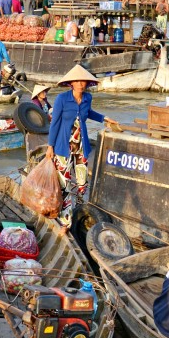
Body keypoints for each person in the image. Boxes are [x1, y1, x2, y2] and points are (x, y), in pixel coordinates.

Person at [46, 65, 120, 229]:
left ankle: (77, 212)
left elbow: (89, 113)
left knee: (81, 184)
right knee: (64, 185)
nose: (81, 84)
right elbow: (55, 123)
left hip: (81, 148)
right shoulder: (62, 99)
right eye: (77, 81)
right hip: (62, 148)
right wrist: (50, 146)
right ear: (71, 83)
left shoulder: (87, 98)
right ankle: (65, 221)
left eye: (83, 81)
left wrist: (105, 118)